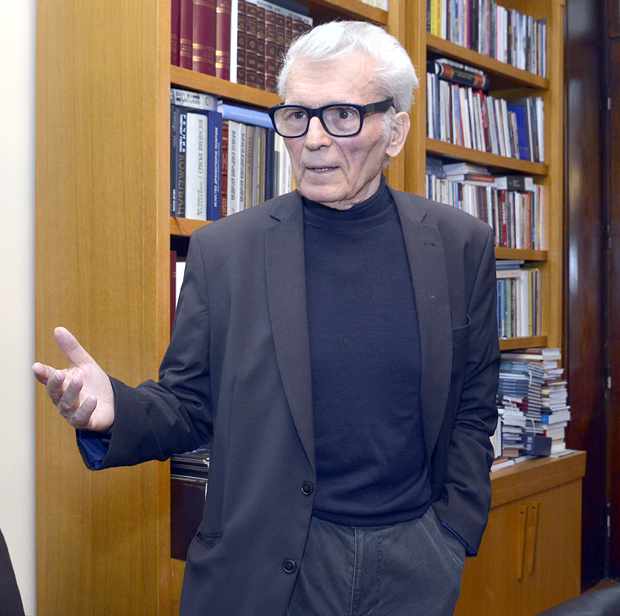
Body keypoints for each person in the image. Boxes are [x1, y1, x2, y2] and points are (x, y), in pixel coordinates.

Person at [33, 20, 500, 616]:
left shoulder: (460, 245)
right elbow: (189, 405)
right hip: (269, 564)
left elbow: (473, 405)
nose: (313, 140)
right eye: (298, 115)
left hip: (416, 561)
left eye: (342, 116)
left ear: (396, 131)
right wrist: (115, 412)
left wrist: (451, 532)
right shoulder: (225, 251)